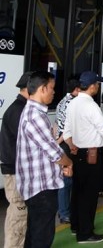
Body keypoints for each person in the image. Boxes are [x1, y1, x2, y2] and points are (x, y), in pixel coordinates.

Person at [16, 71, 73, 248]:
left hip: (38, 187)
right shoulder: (35, 116)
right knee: (41, 238)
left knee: (34, 234)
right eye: (52, 88)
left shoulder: (34, 113)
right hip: (41, 189)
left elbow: (49, 147)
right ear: (42, 89)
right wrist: (68, 163)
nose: (54, 92)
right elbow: (54, 153)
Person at [63, 71, 103, 244]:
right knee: (89, 196)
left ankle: (75, 225)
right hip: (91, 155)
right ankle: (85, 233)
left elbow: (66, 131)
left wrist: (72, 145)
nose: (98, 87)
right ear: (92, 86)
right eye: (97, 84)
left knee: (77, 192)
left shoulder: (72, 103)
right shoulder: (91, 106)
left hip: (76, 153)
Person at [0, 71, 32, 247]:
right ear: (30, 89)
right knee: (18, 216)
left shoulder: (21, 108)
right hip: (15, 171)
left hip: (18, 170)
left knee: (20, 215)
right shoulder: (19, 111)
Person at [54, 76, 80, 224]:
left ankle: (65, 211)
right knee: (66, 180)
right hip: (68, 144)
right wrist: (69, 145)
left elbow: (58, 124)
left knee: (66, 179)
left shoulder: (61, 102)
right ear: (76, 89)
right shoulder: (72, 104)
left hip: (64, 143)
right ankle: (64, 213)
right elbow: (66, 130)